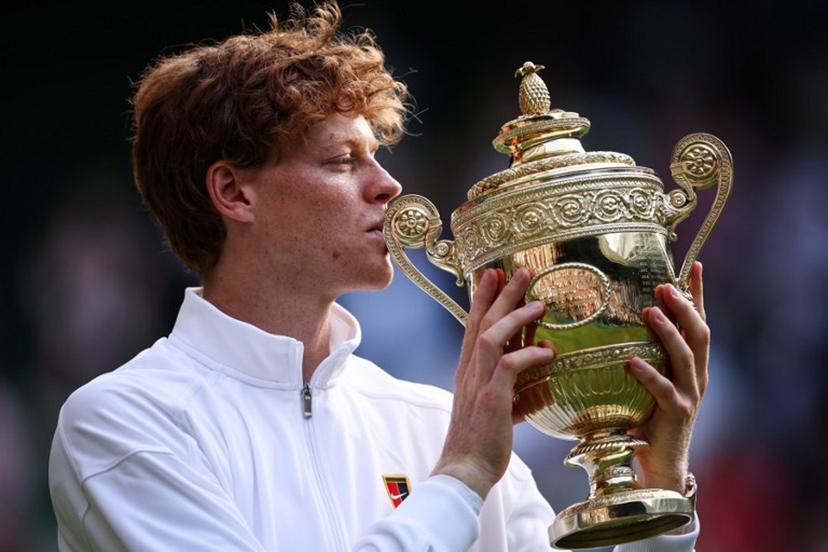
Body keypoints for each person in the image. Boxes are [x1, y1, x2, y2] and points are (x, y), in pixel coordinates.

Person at [48, 3, 709, 550]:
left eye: (379, 157)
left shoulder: (433, 422)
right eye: (341, 162)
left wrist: (657, 491)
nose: (387, 185)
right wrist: (459, 479)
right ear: (235, 193)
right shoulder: (121, 424)